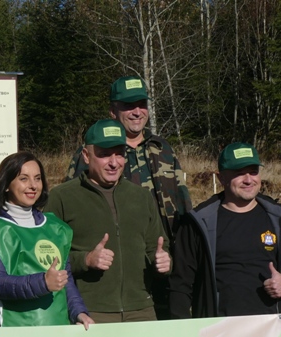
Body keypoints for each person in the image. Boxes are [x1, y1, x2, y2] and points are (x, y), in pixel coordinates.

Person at [170, 142, 281, 337]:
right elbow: (180, 284)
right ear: (221, 178)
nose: (248, 179)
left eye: (253, 172)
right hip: (218, 336)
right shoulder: (198, 222)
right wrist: (181, 335)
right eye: (239, 173)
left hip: (270, 334)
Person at [66, 76, 191, 318]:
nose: (136, 112)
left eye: (141, 104)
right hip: (112, 275)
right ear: (113, 111)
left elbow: (183, 202)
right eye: (128, 106)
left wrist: (179, 259)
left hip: (161, 265)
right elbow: (73, 208)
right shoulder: (92, 153)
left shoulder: (162, 149)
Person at [47, 120, 171, 323]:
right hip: (90, 313)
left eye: (119, 153)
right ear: (86, 156)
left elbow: (158, 246)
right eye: (104, 154)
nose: (114, 162)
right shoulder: (62, 197)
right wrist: (86, 260)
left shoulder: (141, 197)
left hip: (142, 311)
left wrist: (164, 261)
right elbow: (47, 257)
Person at [0, 151, 94, 329]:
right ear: (6, 185)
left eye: (38, 178)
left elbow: (65, 280)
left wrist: (78, 312)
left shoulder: (56, 228)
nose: (33, 185)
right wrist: (42, 283)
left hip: (57, 328)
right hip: (14, 331)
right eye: (24, 179)